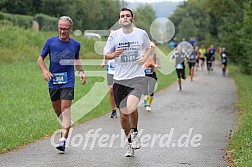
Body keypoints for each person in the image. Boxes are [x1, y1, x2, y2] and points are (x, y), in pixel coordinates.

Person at [104, 7, 151, 157]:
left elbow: (149, 48)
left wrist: (144, 59)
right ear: (119, 20)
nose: (125, 17)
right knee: (123, 115)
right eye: (122, 16)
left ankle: (135, 131)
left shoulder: (141, 33)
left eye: (127, 15)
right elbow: (107, 54)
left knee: (129, 108)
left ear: (132, 18)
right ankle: (130, 143)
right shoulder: (114, 36)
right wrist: (114, 54)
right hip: (119, 79)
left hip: (136, 77)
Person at [37, 16, 86, 152]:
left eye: (65, 29)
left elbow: (76, 58)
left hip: (68, 80)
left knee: (65, 110)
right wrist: (45, 71)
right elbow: (40, 59)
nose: (63, 31)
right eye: (60, 28)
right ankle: (65, 125)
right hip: (53, 81)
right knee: (57, 111)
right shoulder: (50, 42)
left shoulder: (75, 44)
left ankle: (63, 140)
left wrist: (81, 71)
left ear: (71, 29)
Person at [143, 42, 161, 111]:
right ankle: (145, 98)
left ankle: (148, 104)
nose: (150, 49)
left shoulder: (155, 56)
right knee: (145, 90)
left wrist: (156, 65)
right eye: (149, 47)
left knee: (151, 90)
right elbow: (140, 65)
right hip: (145, 74)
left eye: (152, 47)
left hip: (152, 74)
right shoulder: (144, 56)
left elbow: (159, 66)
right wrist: (145, 66)